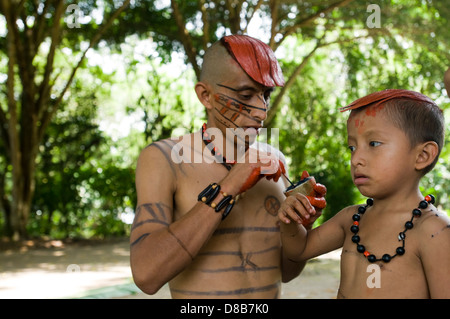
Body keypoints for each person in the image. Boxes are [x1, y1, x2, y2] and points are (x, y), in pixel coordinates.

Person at [130, 34, 326, 298]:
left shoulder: (273, 161)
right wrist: (228, 187)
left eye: (265, 95)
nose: (261, 110)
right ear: (206, 96)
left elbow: (285, 272)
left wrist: (298, 226)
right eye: (246, 94)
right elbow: (146, 276)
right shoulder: (165, 157)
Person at [278, 89, 450, 298]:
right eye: (352, 147)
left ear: (422, 155)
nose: (356, 158)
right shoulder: (351, 219)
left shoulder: (434, 231)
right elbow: (299, 250)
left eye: (373, 144)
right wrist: (292, 221)